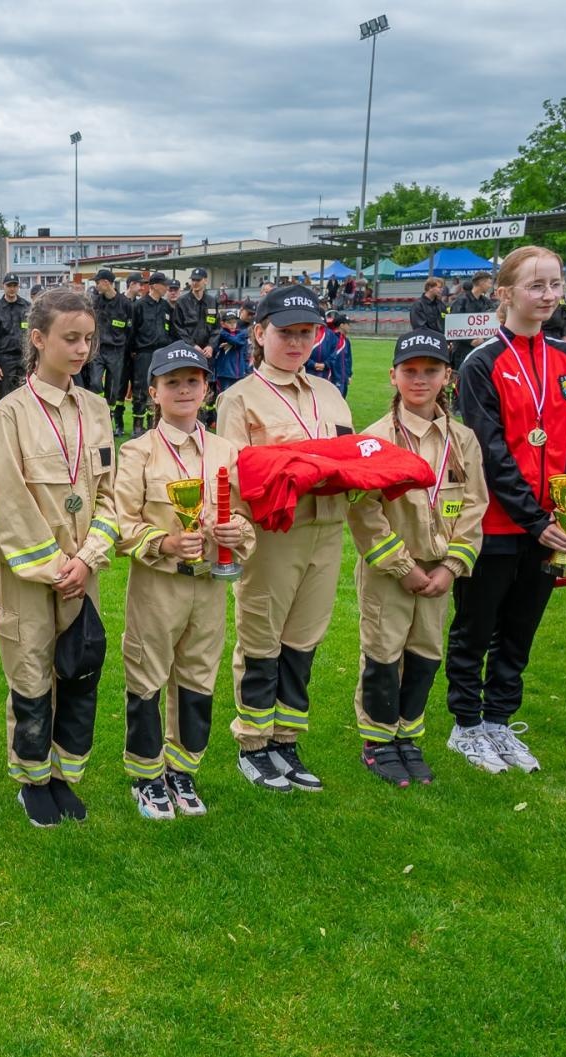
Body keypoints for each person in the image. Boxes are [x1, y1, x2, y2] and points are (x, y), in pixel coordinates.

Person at [444, 246, 566, 774]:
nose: (549, 295)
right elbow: (489, 450)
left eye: (555, 284)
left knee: (522, 628)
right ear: (505, 294)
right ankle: (466, 725)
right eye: (536, 285)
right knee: (476, 626)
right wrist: (536, 518)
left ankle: (500, 722)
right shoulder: (481, 362)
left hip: (553, 525)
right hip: (499, 524)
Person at [0, 288, 117, 827]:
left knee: (78, 671)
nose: (82, 348)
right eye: (70, 338)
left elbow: (113, 493)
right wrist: (54, 567)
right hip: (32, 575)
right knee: (33, 673)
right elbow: (11, 502)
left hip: (82, 572)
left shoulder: (97, 407)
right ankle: (32, 779)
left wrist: (88, 559)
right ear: (38, 340)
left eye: (88, 338)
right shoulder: (9, 413)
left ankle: (65, 775)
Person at [216, 285, 352, 792]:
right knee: (261, 640)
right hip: (274, 533)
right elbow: (232, 472)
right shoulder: (240, 397)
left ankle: (286, 742)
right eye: (285, 333)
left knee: (303, 640)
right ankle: (253, 743)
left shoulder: (329, 393)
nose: (296, 343)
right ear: (259, 333)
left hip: (327, 529)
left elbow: (348, 457)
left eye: (305, 333)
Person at [116, 340, 254, 818]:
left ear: (207, 390)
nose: (183, 390)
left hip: (211, 585)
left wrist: (237, 530)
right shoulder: (136, 453)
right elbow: (120, 525)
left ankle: (182, 771)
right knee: (148, 677)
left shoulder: (225, 451)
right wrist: (164, 542)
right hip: (160, 587)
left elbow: (243, 514)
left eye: (192, 381)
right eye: (171, 382)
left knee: (197, 678)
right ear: (152, 392)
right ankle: (146, 776)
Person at [347, 331, 486, 787]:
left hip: (439, 574)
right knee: (384, 655)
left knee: (426, 654)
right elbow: (365, 513)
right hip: (392, 573)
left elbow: (473, 505)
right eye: (410, 371)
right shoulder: (375, 440)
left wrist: (451, 567)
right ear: (393, 376)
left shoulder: (462, 439)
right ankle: (378, 741)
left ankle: (407, 735)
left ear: (449, 375)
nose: (420, 379)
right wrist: (405, 569)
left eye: (431, 370)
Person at [124, 272, 174, 437]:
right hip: (144, 353)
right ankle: (138, 425)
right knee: (141, 388)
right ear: (153, 286)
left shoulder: (166, 307)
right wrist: (132, 351)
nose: (167, 287)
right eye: (164, 284)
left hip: (161, 353)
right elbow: (132, 331)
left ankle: (154, 423)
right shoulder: (139, 306)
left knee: (158, 387)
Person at [90, 268, 132, 435]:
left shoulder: (125, 304)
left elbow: (130, 329)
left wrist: (125, 349)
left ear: (106, 283)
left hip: (116, 351)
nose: (96, 285)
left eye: (97, 282)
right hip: (98, 349)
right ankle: (96, 412)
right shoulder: (95, 302)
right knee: (94, 382)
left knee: (113, 389)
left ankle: (109, 419)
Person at [0, 273, 31, 396]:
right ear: (3, 286)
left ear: (18, 287)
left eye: (15, 285)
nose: (12, 289)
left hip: (24, 359)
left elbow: (34, 336)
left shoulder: (27, 307)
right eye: (9, 285)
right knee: (5, 397)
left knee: (26, 397)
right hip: (4, 360)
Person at [448, 272, 495, 372]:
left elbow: (492, 322)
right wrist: (470, 340)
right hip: (462, 349)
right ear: (481, 283)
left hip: (481, 347)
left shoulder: (486, 302)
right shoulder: (461, 301)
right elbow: (454, 324)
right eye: (489, 283)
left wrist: (483, 338)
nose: (490, 286)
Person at [306, 311, 353, 396]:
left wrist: (349, 374)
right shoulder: (334, 337)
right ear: (342, 325)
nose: (350, 326)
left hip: (339, 376)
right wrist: (314, 364)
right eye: (348, 324)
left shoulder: (344, 340)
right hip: (332, 376)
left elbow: (348, 359)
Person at [177, 267, 220, 355]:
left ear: (205, 281)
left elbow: (216, 327)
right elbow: (178, 327)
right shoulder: (182, 301)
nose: (194, 283)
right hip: (188, 350)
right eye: (193, 280)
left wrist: (211, 346)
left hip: (207, 352)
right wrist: (192, 345)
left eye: (198, 280)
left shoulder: (212, 301)